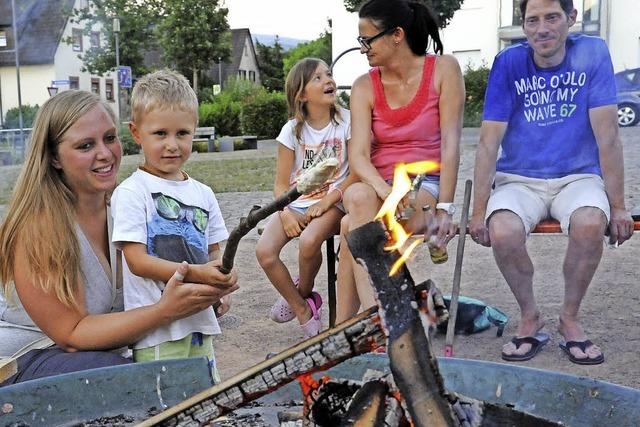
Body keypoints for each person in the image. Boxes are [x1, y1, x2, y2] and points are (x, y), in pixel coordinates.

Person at [0, 90, 237, 386]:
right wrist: (165, 311)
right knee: (138, 383)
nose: (105, 153)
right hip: (27, 358)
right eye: (86, 145)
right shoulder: (38, 228)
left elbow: (174, 273)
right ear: (54, 158)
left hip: (104, 353)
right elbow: (72, 335)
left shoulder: (126, 208)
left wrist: (208, 289)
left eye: (110, 138)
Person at [469, 0, 634, 365]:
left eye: (552, 17)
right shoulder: (509, 63)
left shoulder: (592, 54)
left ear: (571, 19)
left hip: (577, 175)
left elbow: (608, 136)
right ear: (523, 26)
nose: (542, 28)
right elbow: (487, 141)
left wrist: (618, 205)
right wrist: (479, 211)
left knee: (591, 222)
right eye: (533, 20)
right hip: (520, 177)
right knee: (503, 231)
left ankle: (569, 319)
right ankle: (530, 316)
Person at [335, 0, 465, 322]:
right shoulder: (364, 86)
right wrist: (384, 189)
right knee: (356, 197)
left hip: (425, 183)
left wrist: (445, 208)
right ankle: (380, 317)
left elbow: (450, 146)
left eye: (368, 39)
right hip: (379, 183)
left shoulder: (444, 70)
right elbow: (359, 157)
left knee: (350, 226)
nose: (363, 48)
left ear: (396, 35)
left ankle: (359, 322)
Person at [110, 70, 231, 380]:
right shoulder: (132, 192)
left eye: (182, 133)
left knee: (206, 401)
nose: (172, 145)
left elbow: (216, 251)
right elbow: (136, 261)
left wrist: (221, 284)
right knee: (165, 407)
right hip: (157, 333)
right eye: (160, 134)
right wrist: (194, 273)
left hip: (199, 323)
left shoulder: (203, 193)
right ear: (136, 133)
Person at [255, 58, 353, 338]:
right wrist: (285, 213)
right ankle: (303, 307)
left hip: (335, 199)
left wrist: (328, 200)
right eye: (318, 78)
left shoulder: (346, 121)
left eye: (329, 75)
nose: (328, 81)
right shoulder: (291, 131)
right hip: (298, 202)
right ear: (301, 94)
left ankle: (303, 291)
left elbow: (355, 170)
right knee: (264, 251)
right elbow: (280, 185)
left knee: (309, 241)